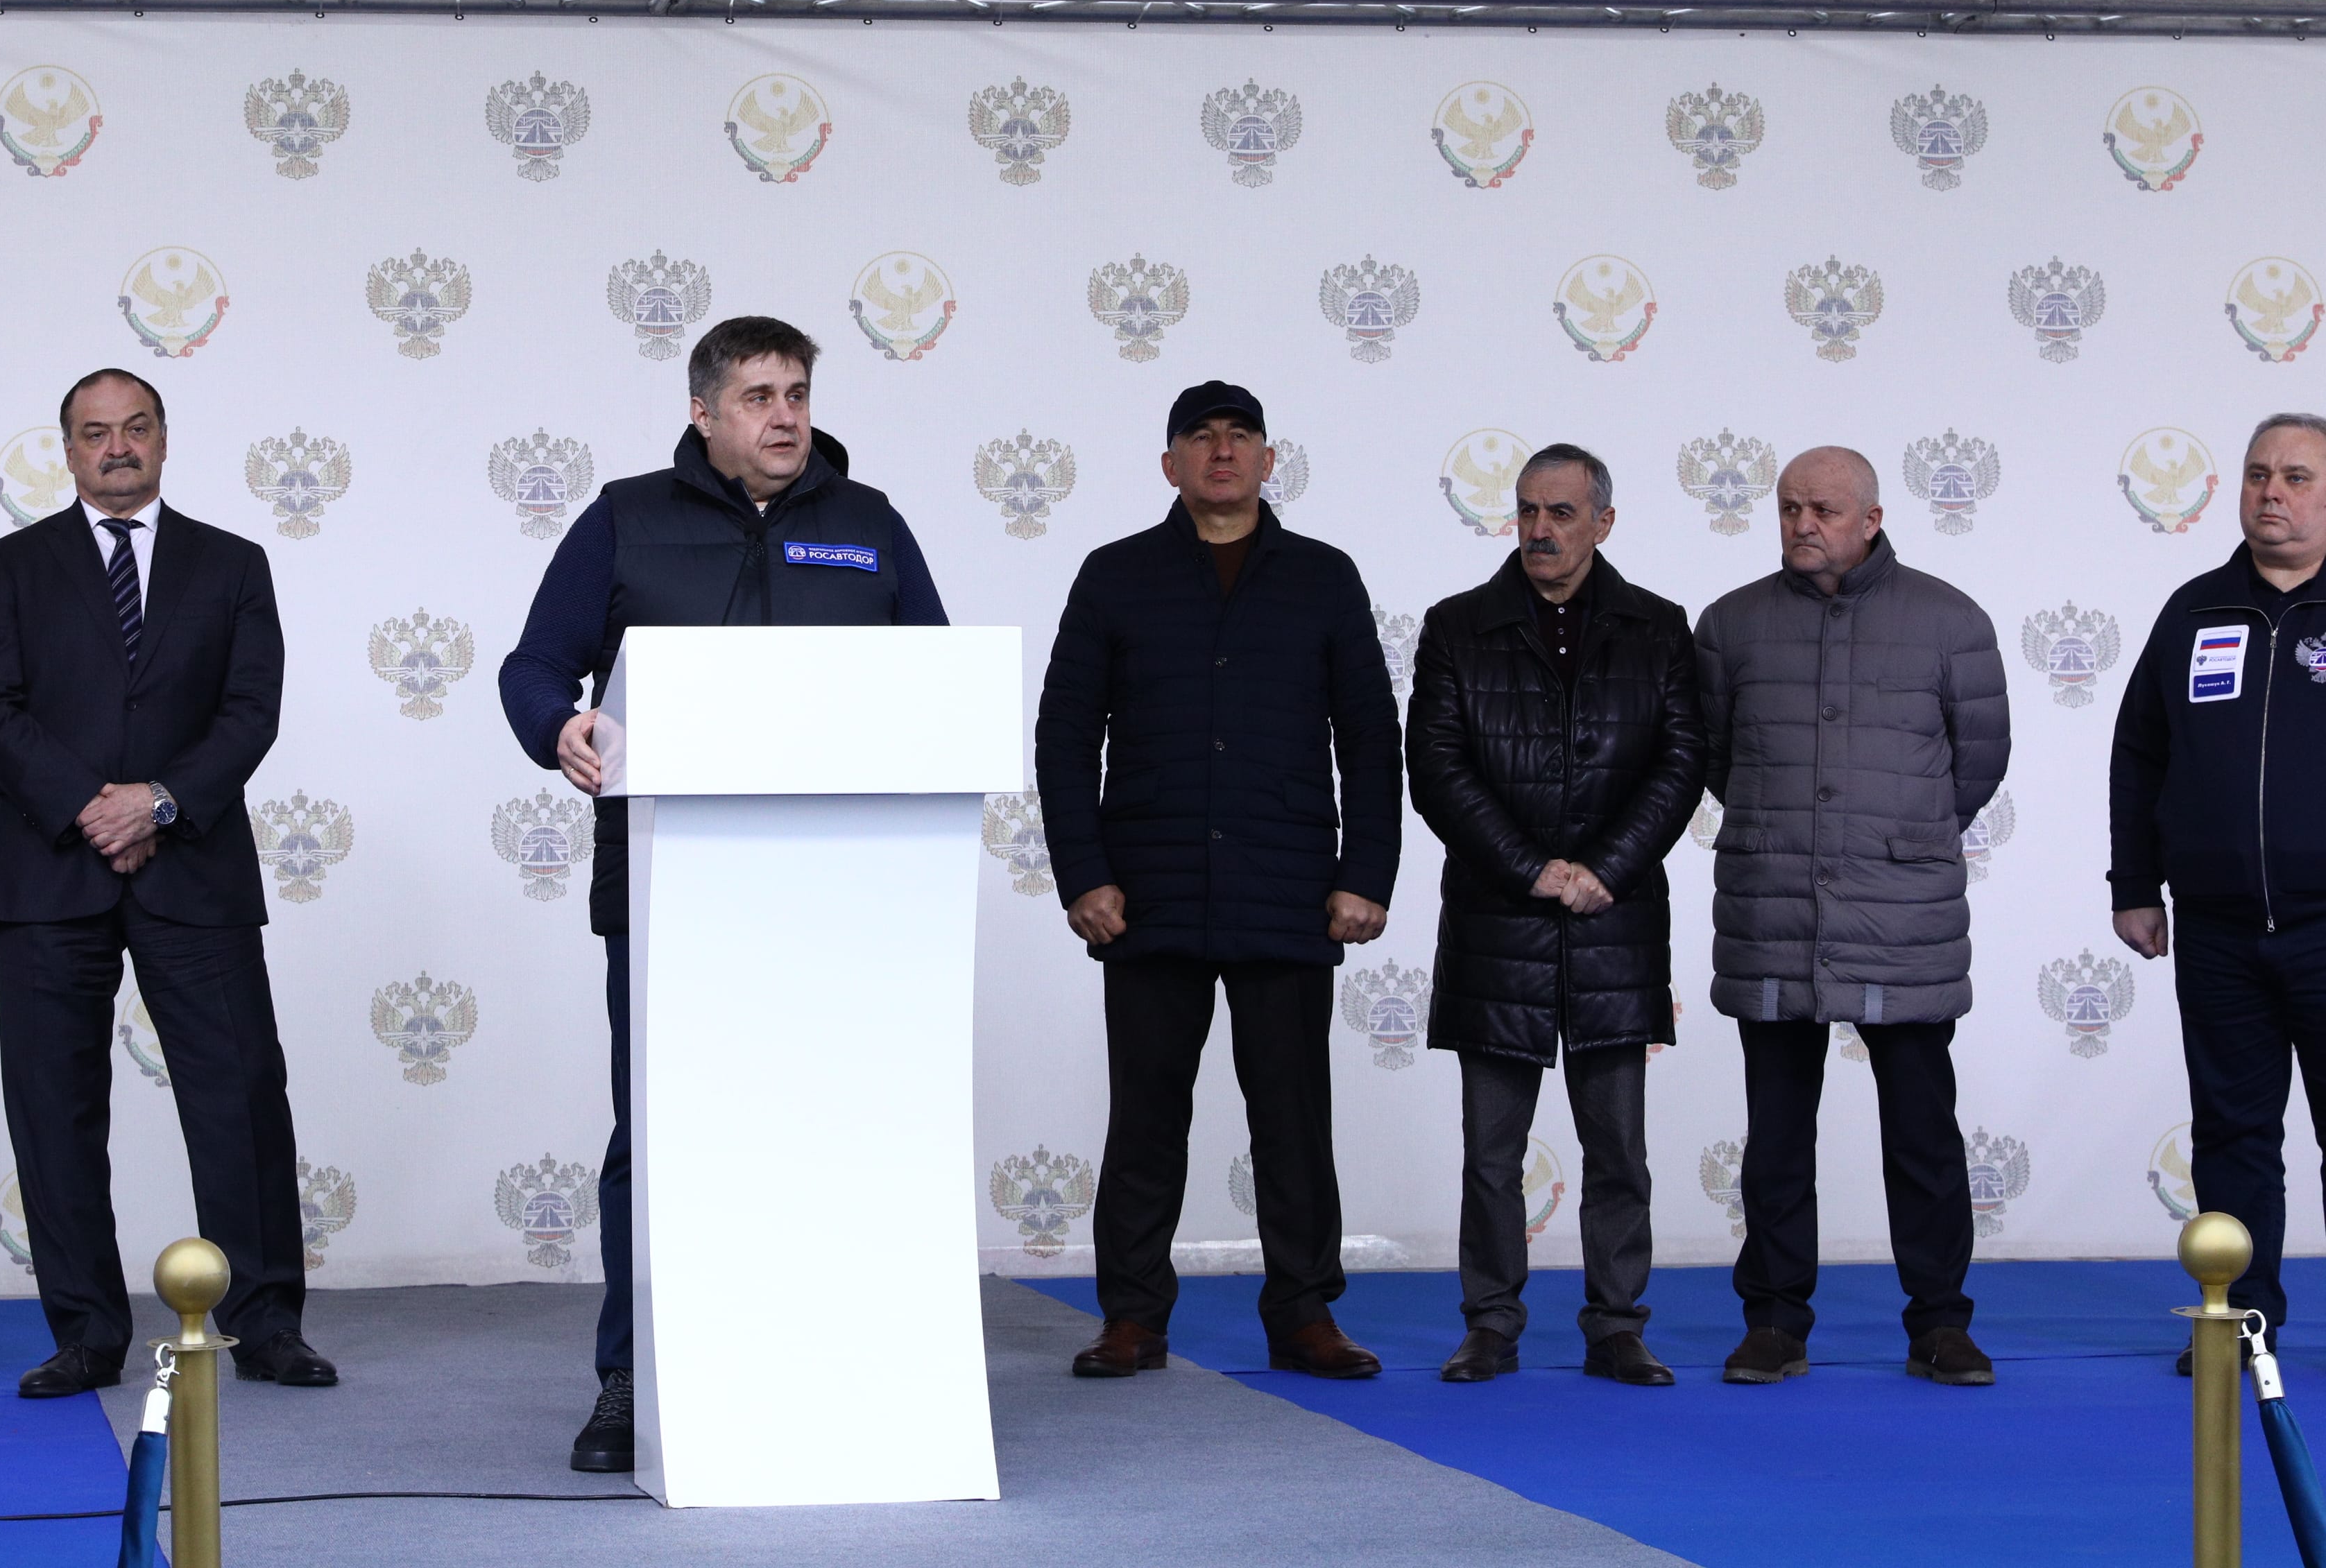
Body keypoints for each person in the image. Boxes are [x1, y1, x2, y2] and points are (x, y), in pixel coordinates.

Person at [497, 315, 946, 1473]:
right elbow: (535, 665)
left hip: (843, 897)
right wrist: (561, 726)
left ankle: (830, 1364)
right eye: (758, 396)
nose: (785, 416)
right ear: (703, 412)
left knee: (830, 1130)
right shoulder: (625, 517)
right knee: (657, 1137)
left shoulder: (870, 522)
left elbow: (934, 677)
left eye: (797, 393)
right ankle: (632, 1377)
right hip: (665, 892)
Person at [0, 369, 331, 1397]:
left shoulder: (233, 563)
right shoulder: (10, 565)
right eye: (94, 433)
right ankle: (85, 1333)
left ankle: (267, 1323)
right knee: (55, 1108)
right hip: (48, 870)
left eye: (134, 429)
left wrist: (159, 803)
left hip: (193, 866)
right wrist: (95, 806)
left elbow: (251, 709)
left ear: (163, 440)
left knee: (240, 1097)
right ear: (67, 450)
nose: (116, 448)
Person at [1034, 381, 1401, 1384]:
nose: (1223, 452)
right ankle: (1132, 1318)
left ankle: (1305, 1315)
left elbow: (1372, 738)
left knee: (1293, 1121)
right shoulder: (1115, 575)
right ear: (1171, 464)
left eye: (1241, 437)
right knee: (1145, 1119)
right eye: (1201, 437)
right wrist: (1084, 876)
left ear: (1269, 460)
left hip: (1287, 889)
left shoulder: (1323, 577)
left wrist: (1365, 874)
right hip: (1146, 894)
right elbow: (1065, 738)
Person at [1693, 445, 2008, 1388]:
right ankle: (1774, 1323)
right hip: (1773, 910)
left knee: (1923, 1135)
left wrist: (1895, 837)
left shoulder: (1951, 622)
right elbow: (1717, 758)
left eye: (1824, 510)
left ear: (1871, 519)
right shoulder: (1732, 624)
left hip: (1903, 917)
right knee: (1777, 1140)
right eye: (1790, 507)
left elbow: (1977, 764)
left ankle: (1940, 1324)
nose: (1802, 524)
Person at [1407, 445, 1700, 1386]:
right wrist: (1532, 870)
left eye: (1562, 513)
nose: (1540, 529)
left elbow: (1682, 764)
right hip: (1500, 924)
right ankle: (1490, 1325)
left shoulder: (1660, 627)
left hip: (1615, 922)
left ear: (1603, 523)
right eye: (1529, 510)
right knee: (1491, 1155)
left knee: (1618, 1151)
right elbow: (1437, 770)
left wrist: (1604, 870)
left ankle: (1617, 1327)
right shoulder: (1457, 627)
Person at [2110, 412, 2326, 1374]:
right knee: (2234, 1135)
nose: (2272, 492)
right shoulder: (2194, 612)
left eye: (2297, 477)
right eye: (2257, 474)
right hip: (2218, 932)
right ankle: (2241, 1321)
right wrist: (2133, 884)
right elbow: (2139, 755)